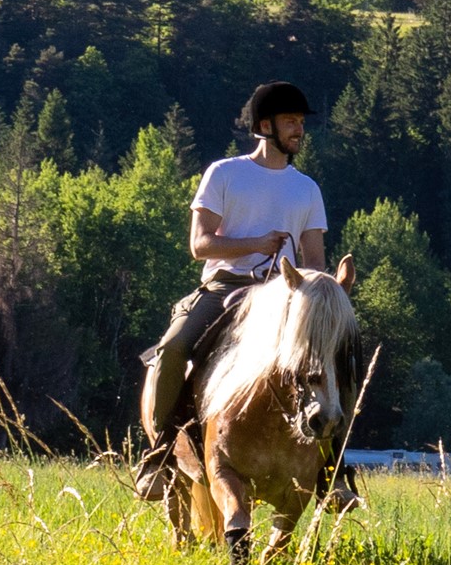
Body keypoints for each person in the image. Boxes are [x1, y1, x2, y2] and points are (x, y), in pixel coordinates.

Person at [133, 80, 329, 500]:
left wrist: (314, 294)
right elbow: (199, 244)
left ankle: (333, 470)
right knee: (171, 349)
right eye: (290, 121)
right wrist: (257, 244)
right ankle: (161, 454)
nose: (299, 129)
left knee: (332, 359)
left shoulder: (307, 189)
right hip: (224, 288)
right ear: (265, 125)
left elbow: (315, 262)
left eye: (300, 122)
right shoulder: (224, 173)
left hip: (283, 298)